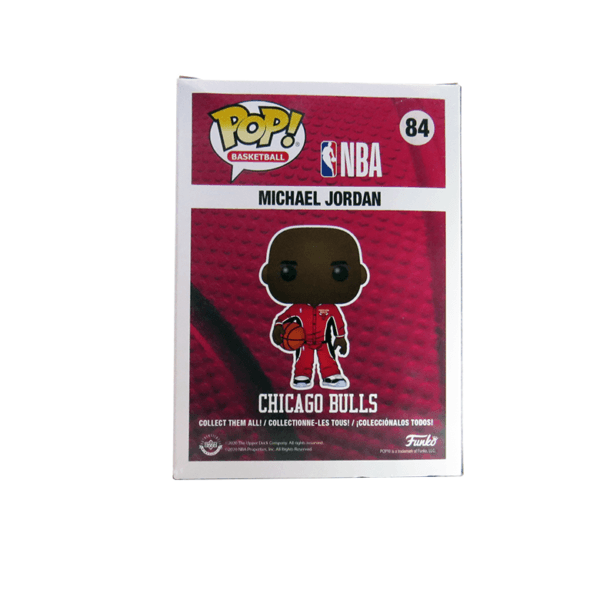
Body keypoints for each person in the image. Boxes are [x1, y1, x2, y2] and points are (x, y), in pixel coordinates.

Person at [260, 226, 369, 390]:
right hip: (303, 340)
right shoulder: (298, 308)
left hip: (323, 341)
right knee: (304, 359)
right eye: (288, 272)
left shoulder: (329, 308)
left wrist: (340, 338)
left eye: (339, 272)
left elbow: (338, 322)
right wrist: (278, 328)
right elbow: (282, 317)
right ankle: (302, 376)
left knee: (328, 358)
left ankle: (331, 376)